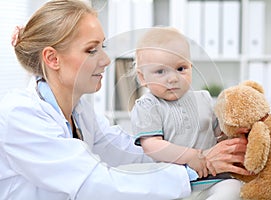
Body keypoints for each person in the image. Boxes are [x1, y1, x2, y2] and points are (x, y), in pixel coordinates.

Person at [0, 0, 248, 199]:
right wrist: (195, 168)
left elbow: (127, 148)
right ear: (53, 59)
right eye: (91, 50)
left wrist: (204, 152)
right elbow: (94, 183)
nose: (106, 60)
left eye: (103, 46)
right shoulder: (19, 115)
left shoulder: (78, 110)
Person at [131, 27, 249, 199]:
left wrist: (233, 135)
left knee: (234, 188)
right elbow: (152, 146)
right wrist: (191, 156)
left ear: (191, 67)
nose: (172, 78)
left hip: (214, 179)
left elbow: (219, 134)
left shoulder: (204, 98)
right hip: (171, 184)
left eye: (181, 68)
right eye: (160, 71)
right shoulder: (147, 106)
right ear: (142, 77)